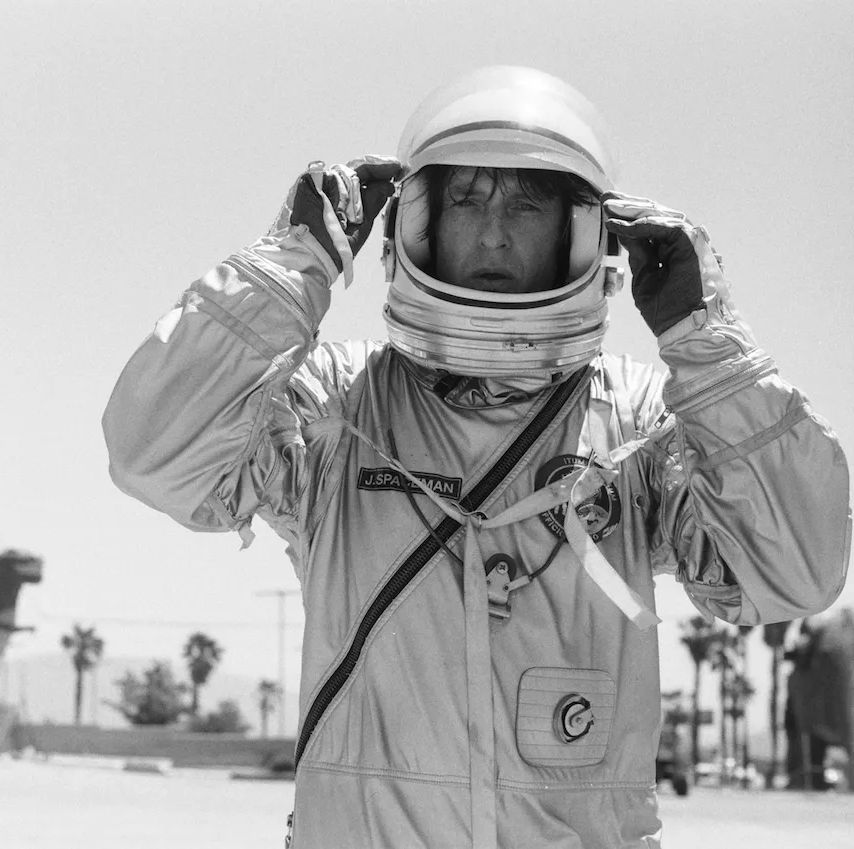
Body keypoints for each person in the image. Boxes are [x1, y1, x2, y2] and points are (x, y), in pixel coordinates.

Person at [101, 66, 850, 847]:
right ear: (419, 224)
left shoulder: (633, 422)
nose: (494, 233)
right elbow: (154, 453)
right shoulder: (339, 407)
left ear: (579, 233)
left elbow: (796, 570)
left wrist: (710, 345)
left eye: (527, 205)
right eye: (466, 199)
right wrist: (290, 269)